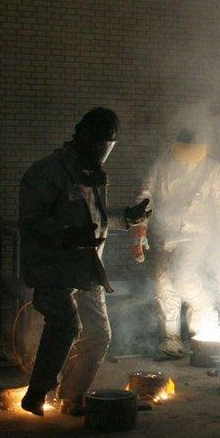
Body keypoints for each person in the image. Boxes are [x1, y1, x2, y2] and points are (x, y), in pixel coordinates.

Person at [19, 108, 151, 416]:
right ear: (85, 137)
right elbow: (32, 221)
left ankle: (72, 396)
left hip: (87, 267)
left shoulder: (91, 175)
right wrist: (67, 235)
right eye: (100, 143)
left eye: (109, 145)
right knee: (66, 324)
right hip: (54, 268)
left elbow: (98, 221)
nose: (103, 151)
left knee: (100, 335)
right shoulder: (46, 173)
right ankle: (37, 393)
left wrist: (127, 218)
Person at [132, 130, 220, 359]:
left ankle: (204, 329)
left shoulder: (214, 170)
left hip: (197, 237)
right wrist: (139, 232)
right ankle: (171, 339)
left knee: (185, 279)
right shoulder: (162, 166)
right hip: (163, 235)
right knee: (164, 286)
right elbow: (145, 197)